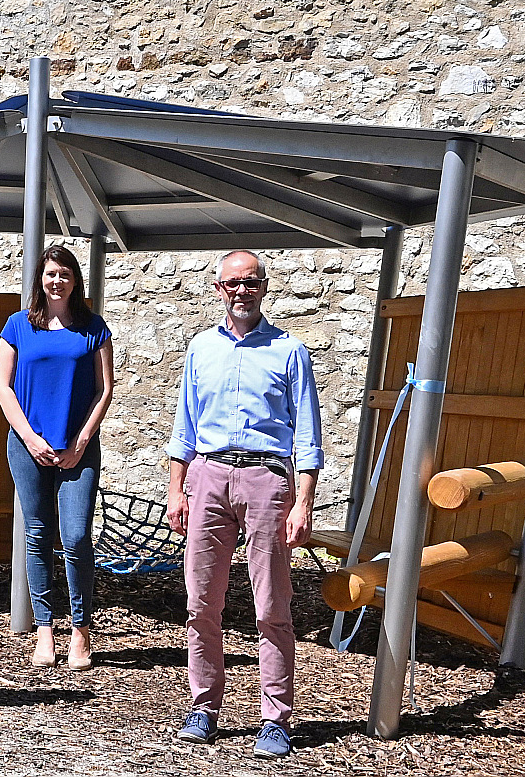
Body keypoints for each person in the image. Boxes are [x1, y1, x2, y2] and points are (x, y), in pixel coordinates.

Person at [166, 249, 324, 759]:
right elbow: (184, 426)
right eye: (232, 283)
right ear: (218, 289)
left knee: (272, 605)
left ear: (263, 286)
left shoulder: (289, 351)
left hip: (266, 481)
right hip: (208, 478)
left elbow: (306, 433)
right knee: (199, 603)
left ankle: (276, 718)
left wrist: (303, 503)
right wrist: (176, 488)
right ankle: (203, 708)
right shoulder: (199, 350)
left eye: (250, 282)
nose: (241, 291)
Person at [0, 244, 115, 671]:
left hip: (77, 449)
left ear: (75, 280)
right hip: (28, 448)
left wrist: (81, 441)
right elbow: (3, 388)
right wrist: (28, 438)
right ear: (39, 280)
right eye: (50, 274)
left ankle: (80, 629)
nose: (56, 280)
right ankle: (45, 629)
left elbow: (105, 389)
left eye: (64, 273)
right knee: (37, 535)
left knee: (77, 536)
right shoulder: (18, 325)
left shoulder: (93, 328)